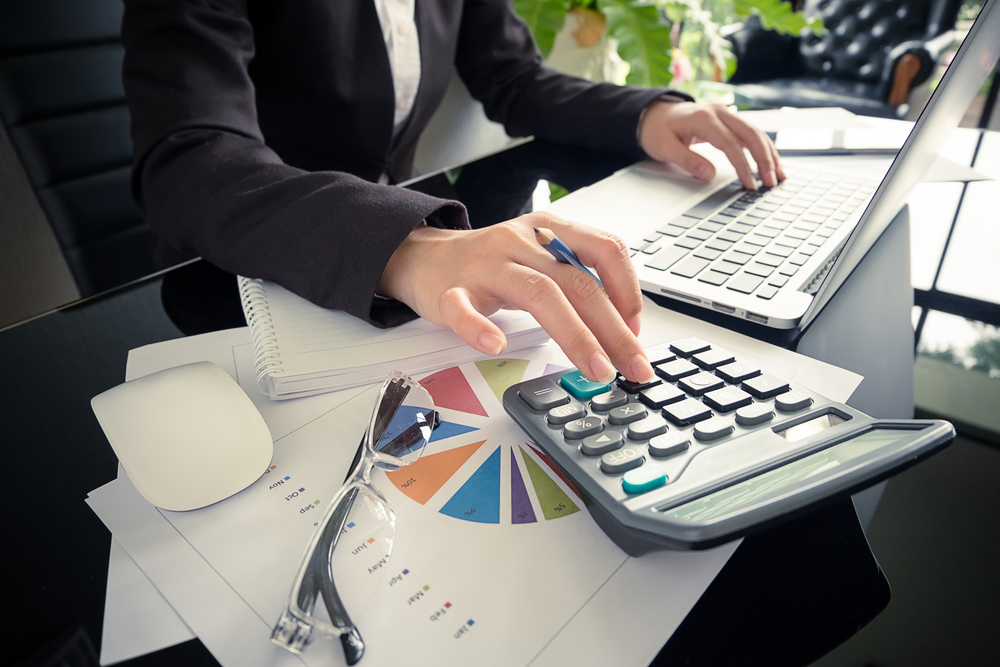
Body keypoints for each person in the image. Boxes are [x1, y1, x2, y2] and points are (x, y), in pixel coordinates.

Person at [121, 0, 783, 387]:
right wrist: (400, 243)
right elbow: (188, 153)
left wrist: (645, 116)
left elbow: (512, 76)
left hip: (402, 294)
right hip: (242, 281)